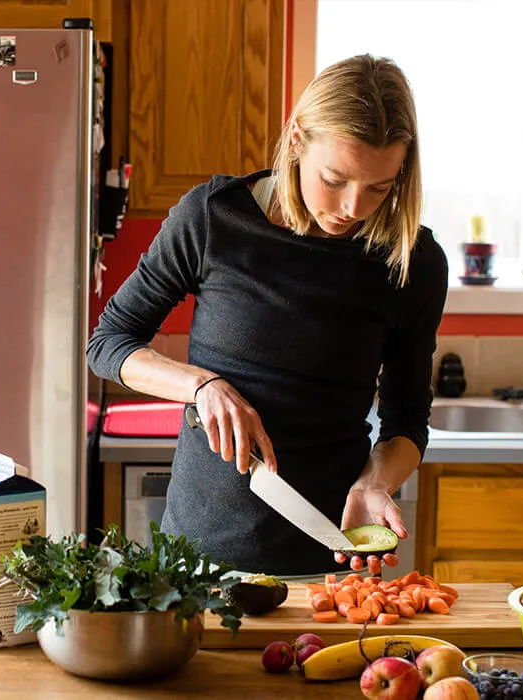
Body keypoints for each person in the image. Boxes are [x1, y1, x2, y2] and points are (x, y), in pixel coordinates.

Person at [87, 54, 448, 577]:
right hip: (198, 561)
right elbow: (108, 343)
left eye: (379, 188)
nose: (353, 207)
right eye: (336, 178)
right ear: (297, 138)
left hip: (331, 556)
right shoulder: (214, 219)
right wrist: (202, 385)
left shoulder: (412, 261)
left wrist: (377, 481)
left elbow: (408, 423)